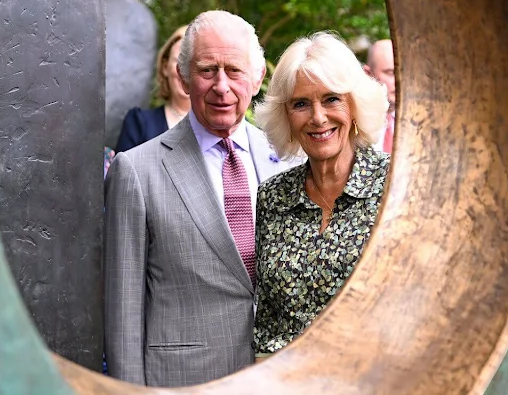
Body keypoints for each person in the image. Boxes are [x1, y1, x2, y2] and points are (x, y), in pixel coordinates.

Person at [104, 10, 297, 387]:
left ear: (257, 78)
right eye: (208, 70)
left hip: (278, 378)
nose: (221, 86)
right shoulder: (136, 170)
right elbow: (123, 312)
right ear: (184, 77)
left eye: (235, 70)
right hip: (182, 381)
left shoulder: (290, 159)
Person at [253, 32, 390, 356]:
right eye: (301, 103)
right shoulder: (272, 197)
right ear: (286, 115)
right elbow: (268, 319)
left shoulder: (395, 184)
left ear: (354, 105)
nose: (317, 117)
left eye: (331, 99)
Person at [115, 25, 190, 152]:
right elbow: (121, 171)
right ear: (165, 67)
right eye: (179, 61)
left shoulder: (218, 127)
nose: (184, 71)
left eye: (192, 63)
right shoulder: (139, 123)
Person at [364, 39, 396, 153]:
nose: (400, 80)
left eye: (403, 72)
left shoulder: (424, 121)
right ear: (368, 74)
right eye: (391, 73)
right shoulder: (356, 121)